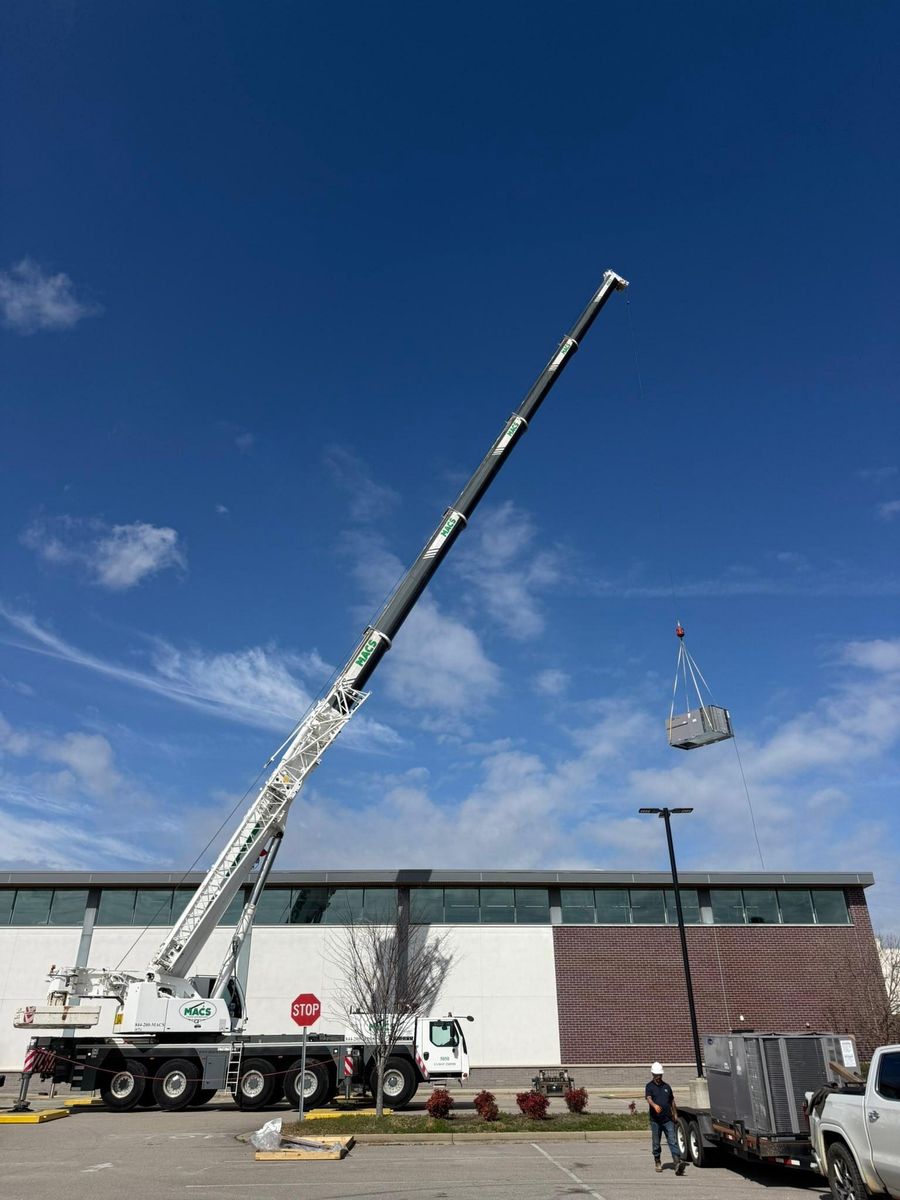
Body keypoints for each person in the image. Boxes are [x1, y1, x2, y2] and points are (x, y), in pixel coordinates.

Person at [645, 1061, 686, 1174]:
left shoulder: (667, 1086)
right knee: (656, 1142)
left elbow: (672, 1100)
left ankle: (677, 1163)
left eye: (660, 1075)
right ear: (653, 1074)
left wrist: (675, 1113)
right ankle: (657, 1161)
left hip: (667, 1119)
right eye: (656, 1075)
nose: (658, 1077)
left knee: (672, 1140)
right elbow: (648, 1098)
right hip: (655, 1120)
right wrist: (654, 1106)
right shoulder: (649, 1086)